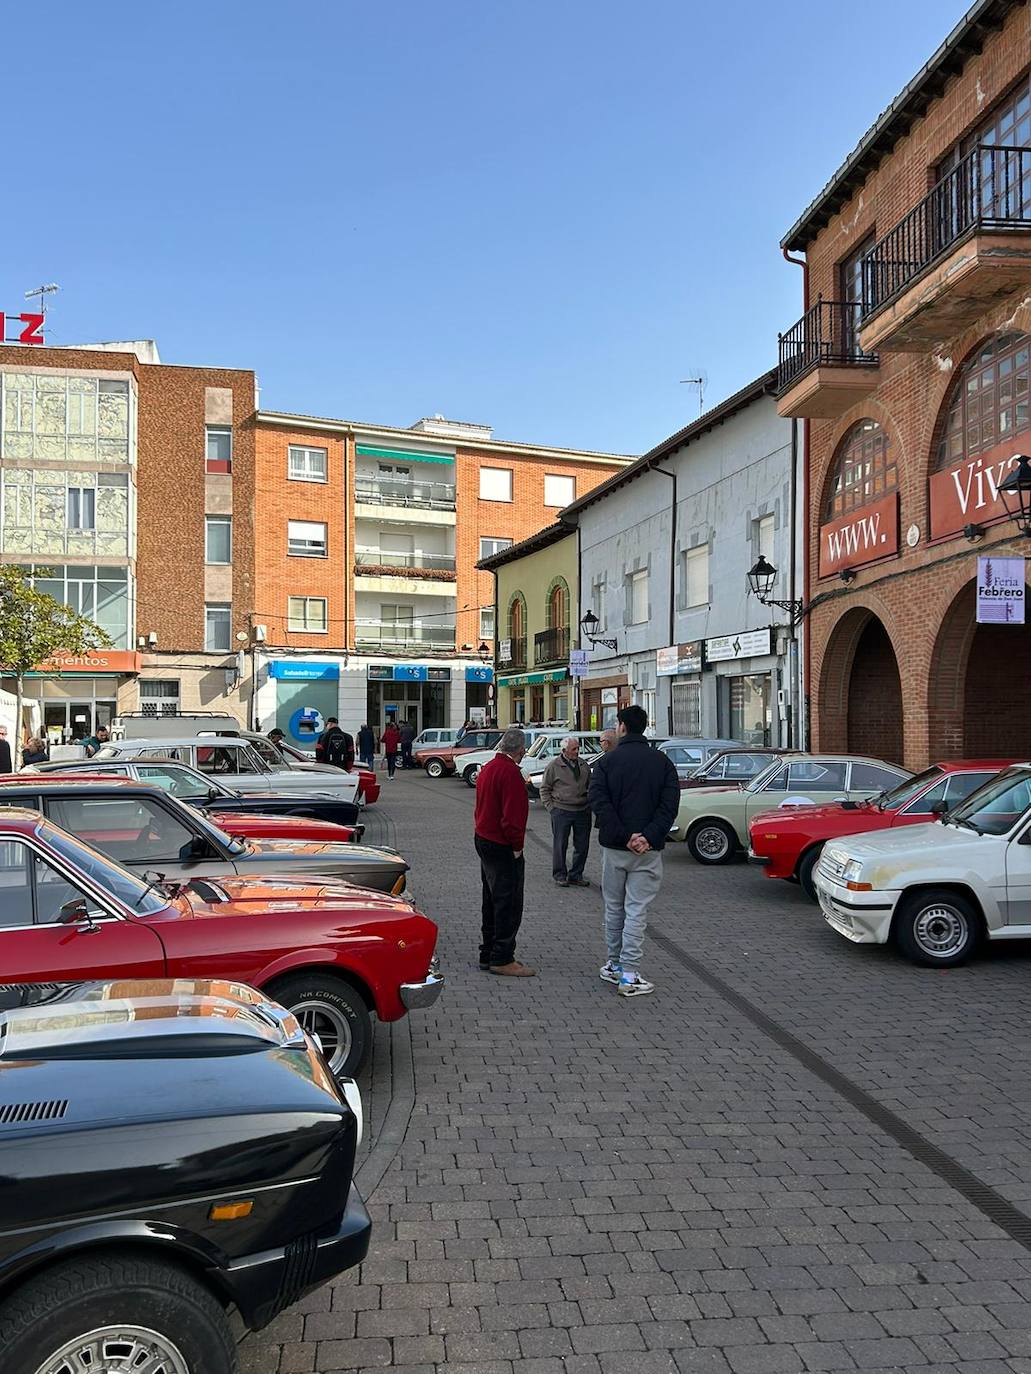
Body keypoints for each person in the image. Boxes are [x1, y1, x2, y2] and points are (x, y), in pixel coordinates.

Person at [588, 704, 679, 998]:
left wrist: (625, 836)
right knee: (636, 909)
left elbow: (599, 802)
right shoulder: (662, 763)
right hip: (647, 851)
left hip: (615, 847)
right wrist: (647, 837)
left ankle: (615, 965)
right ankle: (629, 973)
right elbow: (669, 806)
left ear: (623, 727)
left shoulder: (606, 762)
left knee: (614, 907)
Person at [474, 727, 533, 977]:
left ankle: (488, 952)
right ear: (521, 750)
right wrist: (517, 847)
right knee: (508, 902)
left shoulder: (488, 768)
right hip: (501, 844)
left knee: (490, 899)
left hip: (484, 837)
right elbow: (512, 820)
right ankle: (502, 957)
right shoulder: (511, 774)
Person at [540, 735, 591, 888]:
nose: (577, 752)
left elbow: (590, 785)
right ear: (564, 751)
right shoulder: (553, 766)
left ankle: (576, 875)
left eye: (578, 748)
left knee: (582, 845)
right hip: (561, 811)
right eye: (573, 749)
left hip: (582, 810)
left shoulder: (583, 765)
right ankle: (560, 874)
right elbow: (544, 789)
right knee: (560, 844)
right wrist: (551, 809)